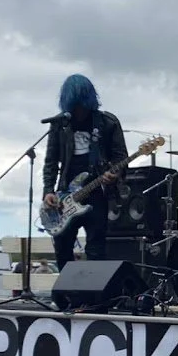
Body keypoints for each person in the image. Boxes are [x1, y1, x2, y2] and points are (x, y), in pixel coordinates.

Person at [41, 74, 130, 269]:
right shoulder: (59, 125)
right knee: (63, 249)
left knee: (96, 250)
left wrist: (114, 175)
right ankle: (66, 288)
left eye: (81, 104)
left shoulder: (107, 122)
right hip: (65, 197)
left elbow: (121, 157)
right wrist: (48, 191)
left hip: (97, 194)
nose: (78, 110)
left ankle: (95, 290)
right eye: (74, 105)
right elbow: (50, 162)